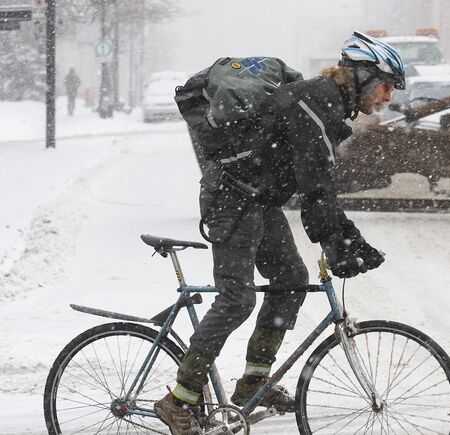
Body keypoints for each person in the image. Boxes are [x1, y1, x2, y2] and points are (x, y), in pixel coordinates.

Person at [154, 32, 406, 435]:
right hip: (231, 199)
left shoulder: (324, 104)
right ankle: (178, 400)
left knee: (290, 279)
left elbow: (320, 184)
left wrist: (350, 239)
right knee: (236, 299)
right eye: (385, 84)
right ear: (360, 76)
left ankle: (254, 381)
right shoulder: (313, 103)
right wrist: (337, 242)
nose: (388, 96)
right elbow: (315, 186)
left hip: (257, 199)